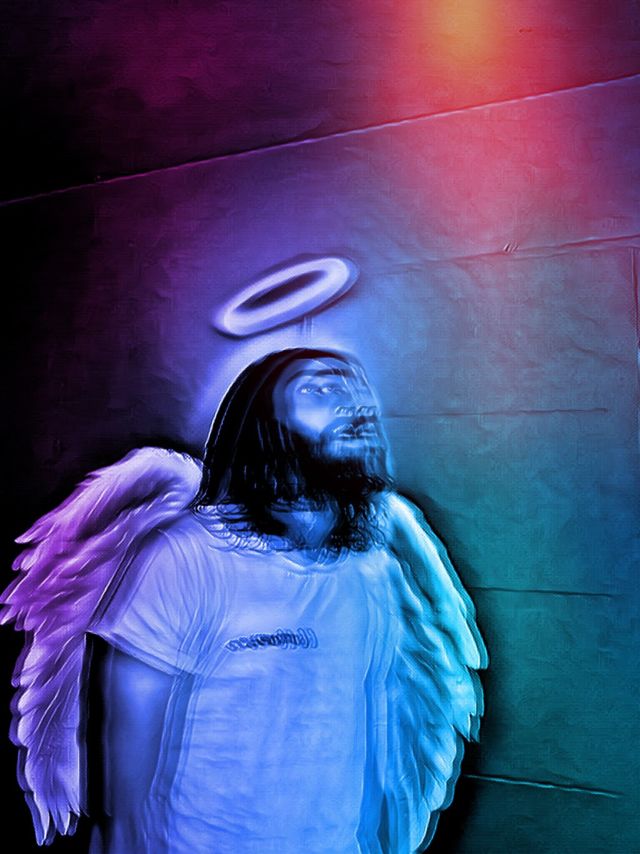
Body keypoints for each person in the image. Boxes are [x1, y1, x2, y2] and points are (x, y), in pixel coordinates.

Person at [2, 347, 486, 854]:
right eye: (321, 389)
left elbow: (377, 738)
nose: (356, 405)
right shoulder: (184, 558)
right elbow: (125, 768)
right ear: (261, 426)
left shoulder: (373, 571)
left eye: (359, 391)